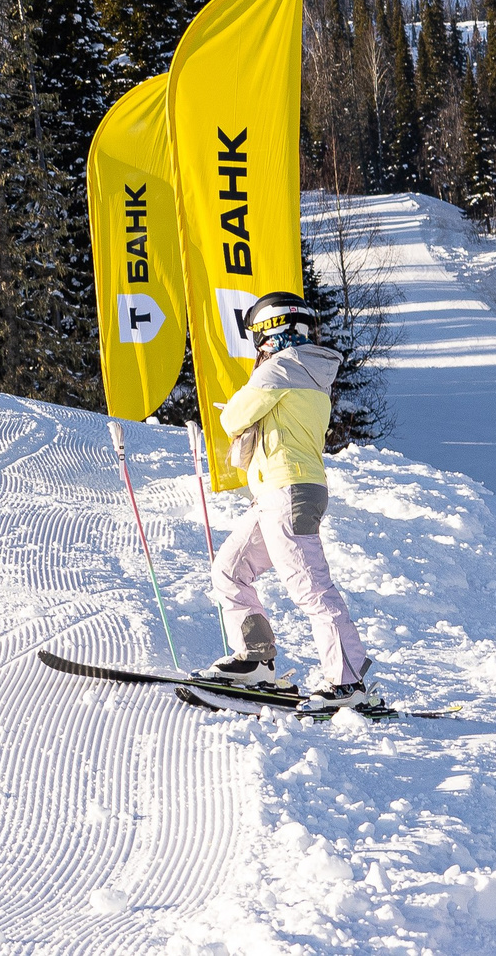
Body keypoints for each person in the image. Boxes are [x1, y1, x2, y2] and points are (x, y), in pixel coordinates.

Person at [205, 291, 374, 713]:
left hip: (288, 490)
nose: (258, 346)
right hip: (280, 491)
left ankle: (348, 682)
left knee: (311, 588)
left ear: (272, 330)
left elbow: (232, 417)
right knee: (230, 569)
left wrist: (246, 395)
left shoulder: (280, 368)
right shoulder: (309, 369)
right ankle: (254, 659)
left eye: (258, 336)